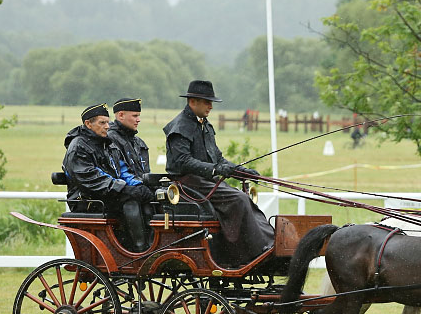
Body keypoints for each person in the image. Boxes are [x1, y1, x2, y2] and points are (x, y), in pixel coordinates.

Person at [163, 80, 274, 266]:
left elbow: (218, 158)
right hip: (188, 184)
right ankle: (247, 251)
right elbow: (182, 161)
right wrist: (214, 169)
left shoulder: (205, 126)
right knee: (239, 199)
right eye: (207, 102)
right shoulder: (179, 127)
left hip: (205, 181)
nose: (211, 106)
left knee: (244, 197)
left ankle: (266, 243)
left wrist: (241, 172)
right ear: (192, 102)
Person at [62, 103, 156, 251]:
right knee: (130, 201)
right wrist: (125, 189)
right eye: (102, 123)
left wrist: (139, 186)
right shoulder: (78, 147)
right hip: (88, 200)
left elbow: (122, 171)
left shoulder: (107, 144)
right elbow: (92, 177)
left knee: (147, 198)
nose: (107, 126)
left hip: (106, 195)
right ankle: (140, 249)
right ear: (88, 124)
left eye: (107, 122)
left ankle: (152, 244)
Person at [108, 97, 154, 249]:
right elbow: (119, 172)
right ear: (120, 115)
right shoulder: (110, 140)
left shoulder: (138, 142)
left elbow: (145, 171)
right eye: (135, 116)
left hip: (137, 187)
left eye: (139, 116)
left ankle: (155, 243)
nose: (138, 120)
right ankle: (140, 247)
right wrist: (141, 185)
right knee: (133, 198)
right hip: (118, 192)